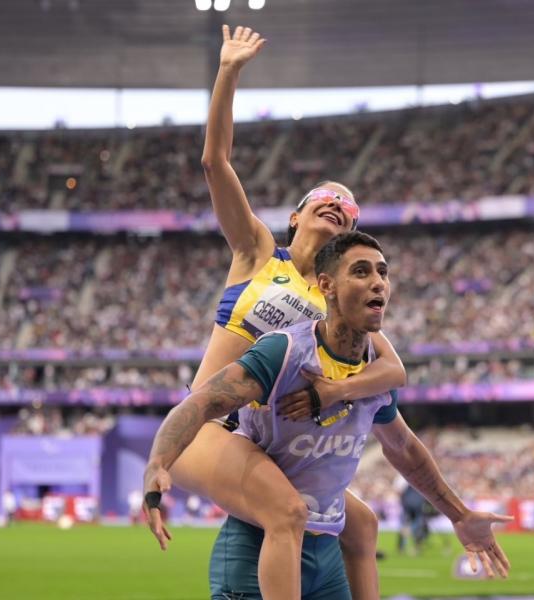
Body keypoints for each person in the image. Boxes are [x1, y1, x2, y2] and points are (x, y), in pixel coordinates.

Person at [143, 25, 406, 600]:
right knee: (287, 512)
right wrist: (229, 71)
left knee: (360, 523)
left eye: (349, 207)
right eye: (325, 199)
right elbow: (215, 162)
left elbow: (393, 372)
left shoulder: (336, 297)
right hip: (211, 424)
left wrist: (338, 392)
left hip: (270, 437)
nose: (338, 205)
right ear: (296, 216)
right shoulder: (257, 251)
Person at [145, 232, 512, 599]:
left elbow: (403, 449)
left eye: (383, 273)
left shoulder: (375, 373)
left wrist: (460, 515)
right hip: (257, 550)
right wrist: (159, 462)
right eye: (361, 271)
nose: (378, 283)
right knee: (289, 512)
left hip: (327, 552)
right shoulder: (285, 352)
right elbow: (202, 401)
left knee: (362, 522)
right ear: (327, 286)